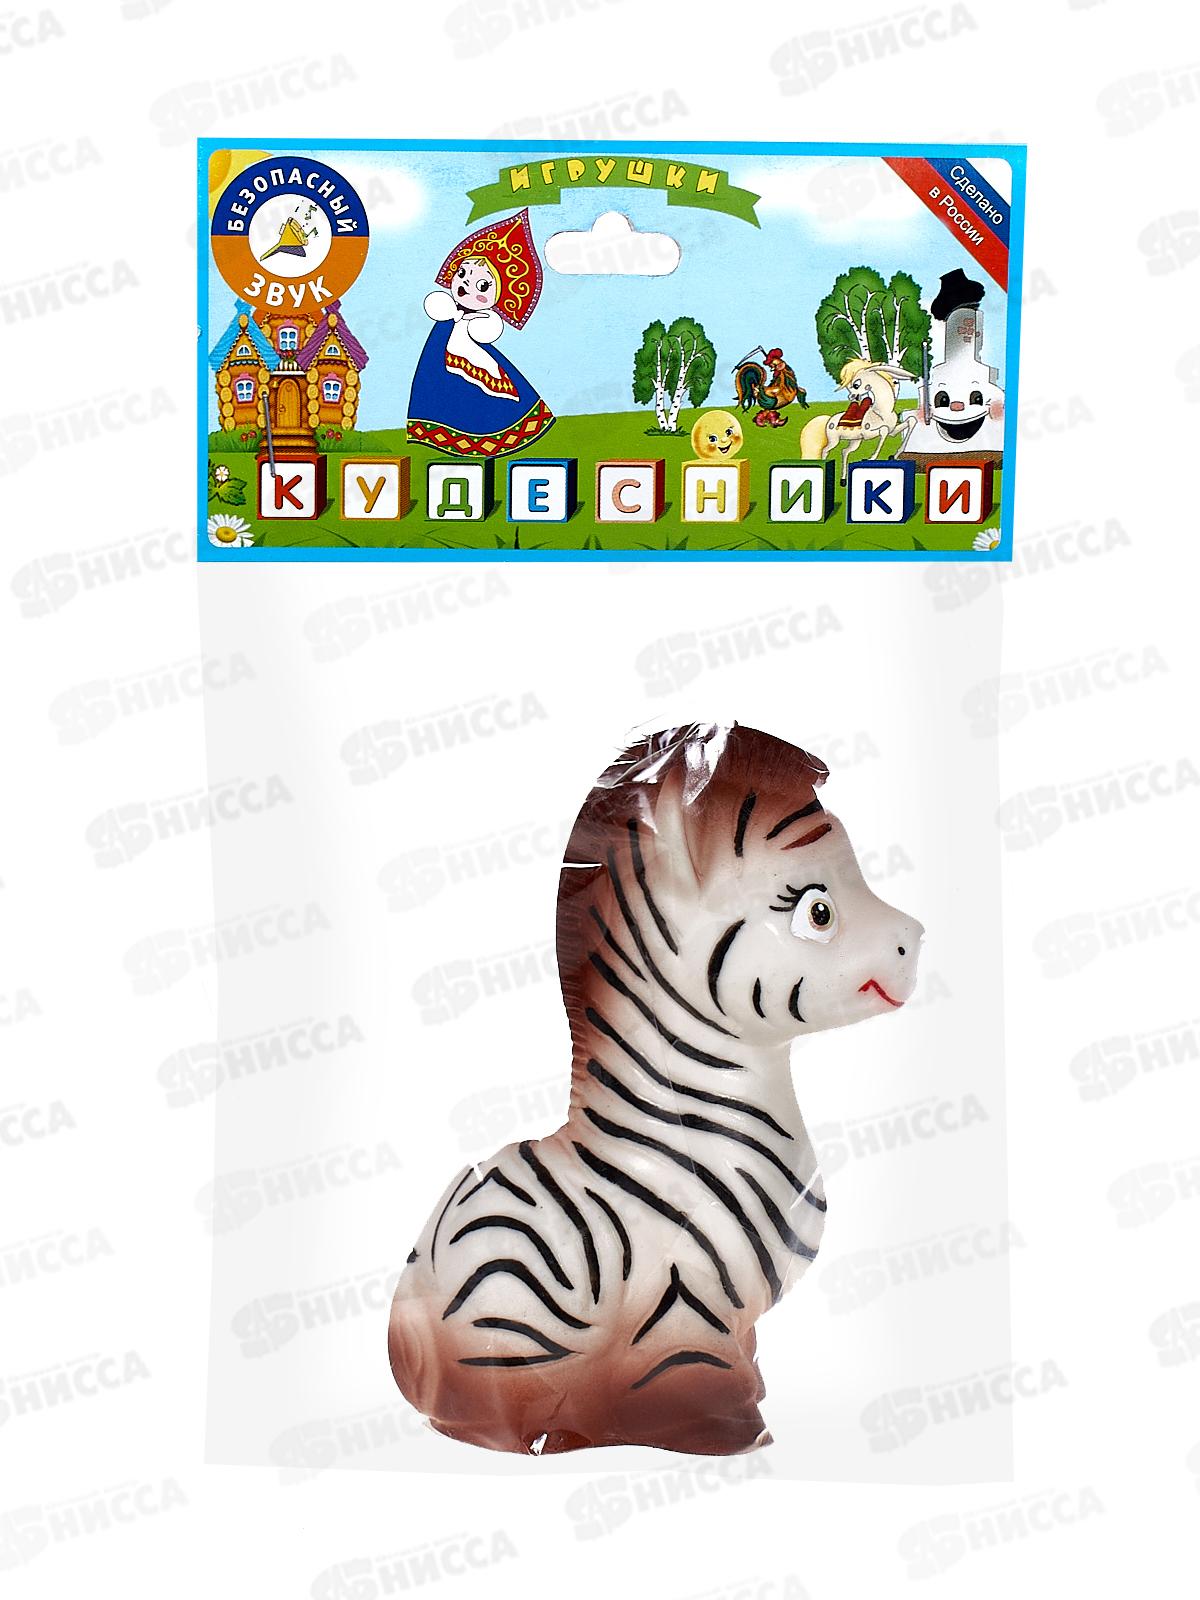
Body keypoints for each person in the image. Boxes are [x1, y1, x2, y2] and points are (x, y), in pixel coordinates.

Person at [407, 208, 554, 459]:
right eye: (462, 273)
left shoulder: (481, 325)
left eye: (483, 285)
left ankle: (484, 433)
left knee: (482, 390)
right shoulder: (445, 318)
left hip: (469, 352)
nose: (466, 285)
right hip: (441, 350)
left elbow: (484, 332)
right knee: (436, 383)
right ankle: (434, 429)